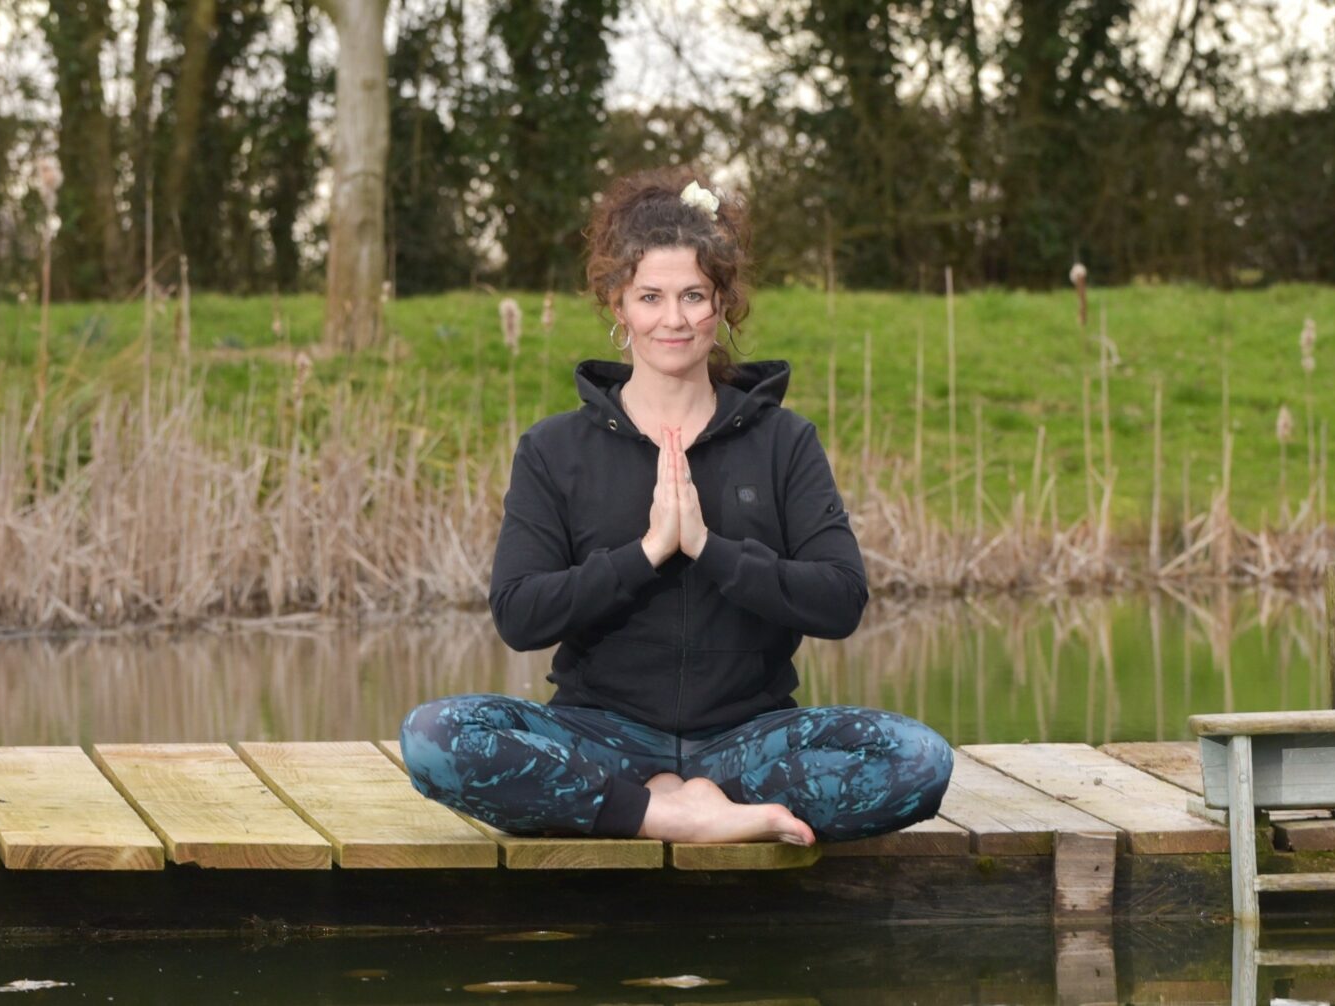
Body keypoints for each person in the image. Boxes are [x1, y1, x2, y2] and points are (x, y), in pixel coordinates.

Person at [400, 167, 953, 846]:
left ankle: (697, 799)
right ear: (617, 305)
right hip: (601, 735)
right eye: (651, 297)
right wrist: (648, 553)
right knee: (434, 736)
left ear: (722, 305)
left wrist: (710, 549)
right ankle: (672, 814)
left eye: (694, 295)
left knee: (919, 758)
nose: (674, 319)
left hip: (750, 741)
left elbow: (841, 601)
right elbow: (520, 615)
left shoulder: (784, 441)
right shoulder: (553, 449)